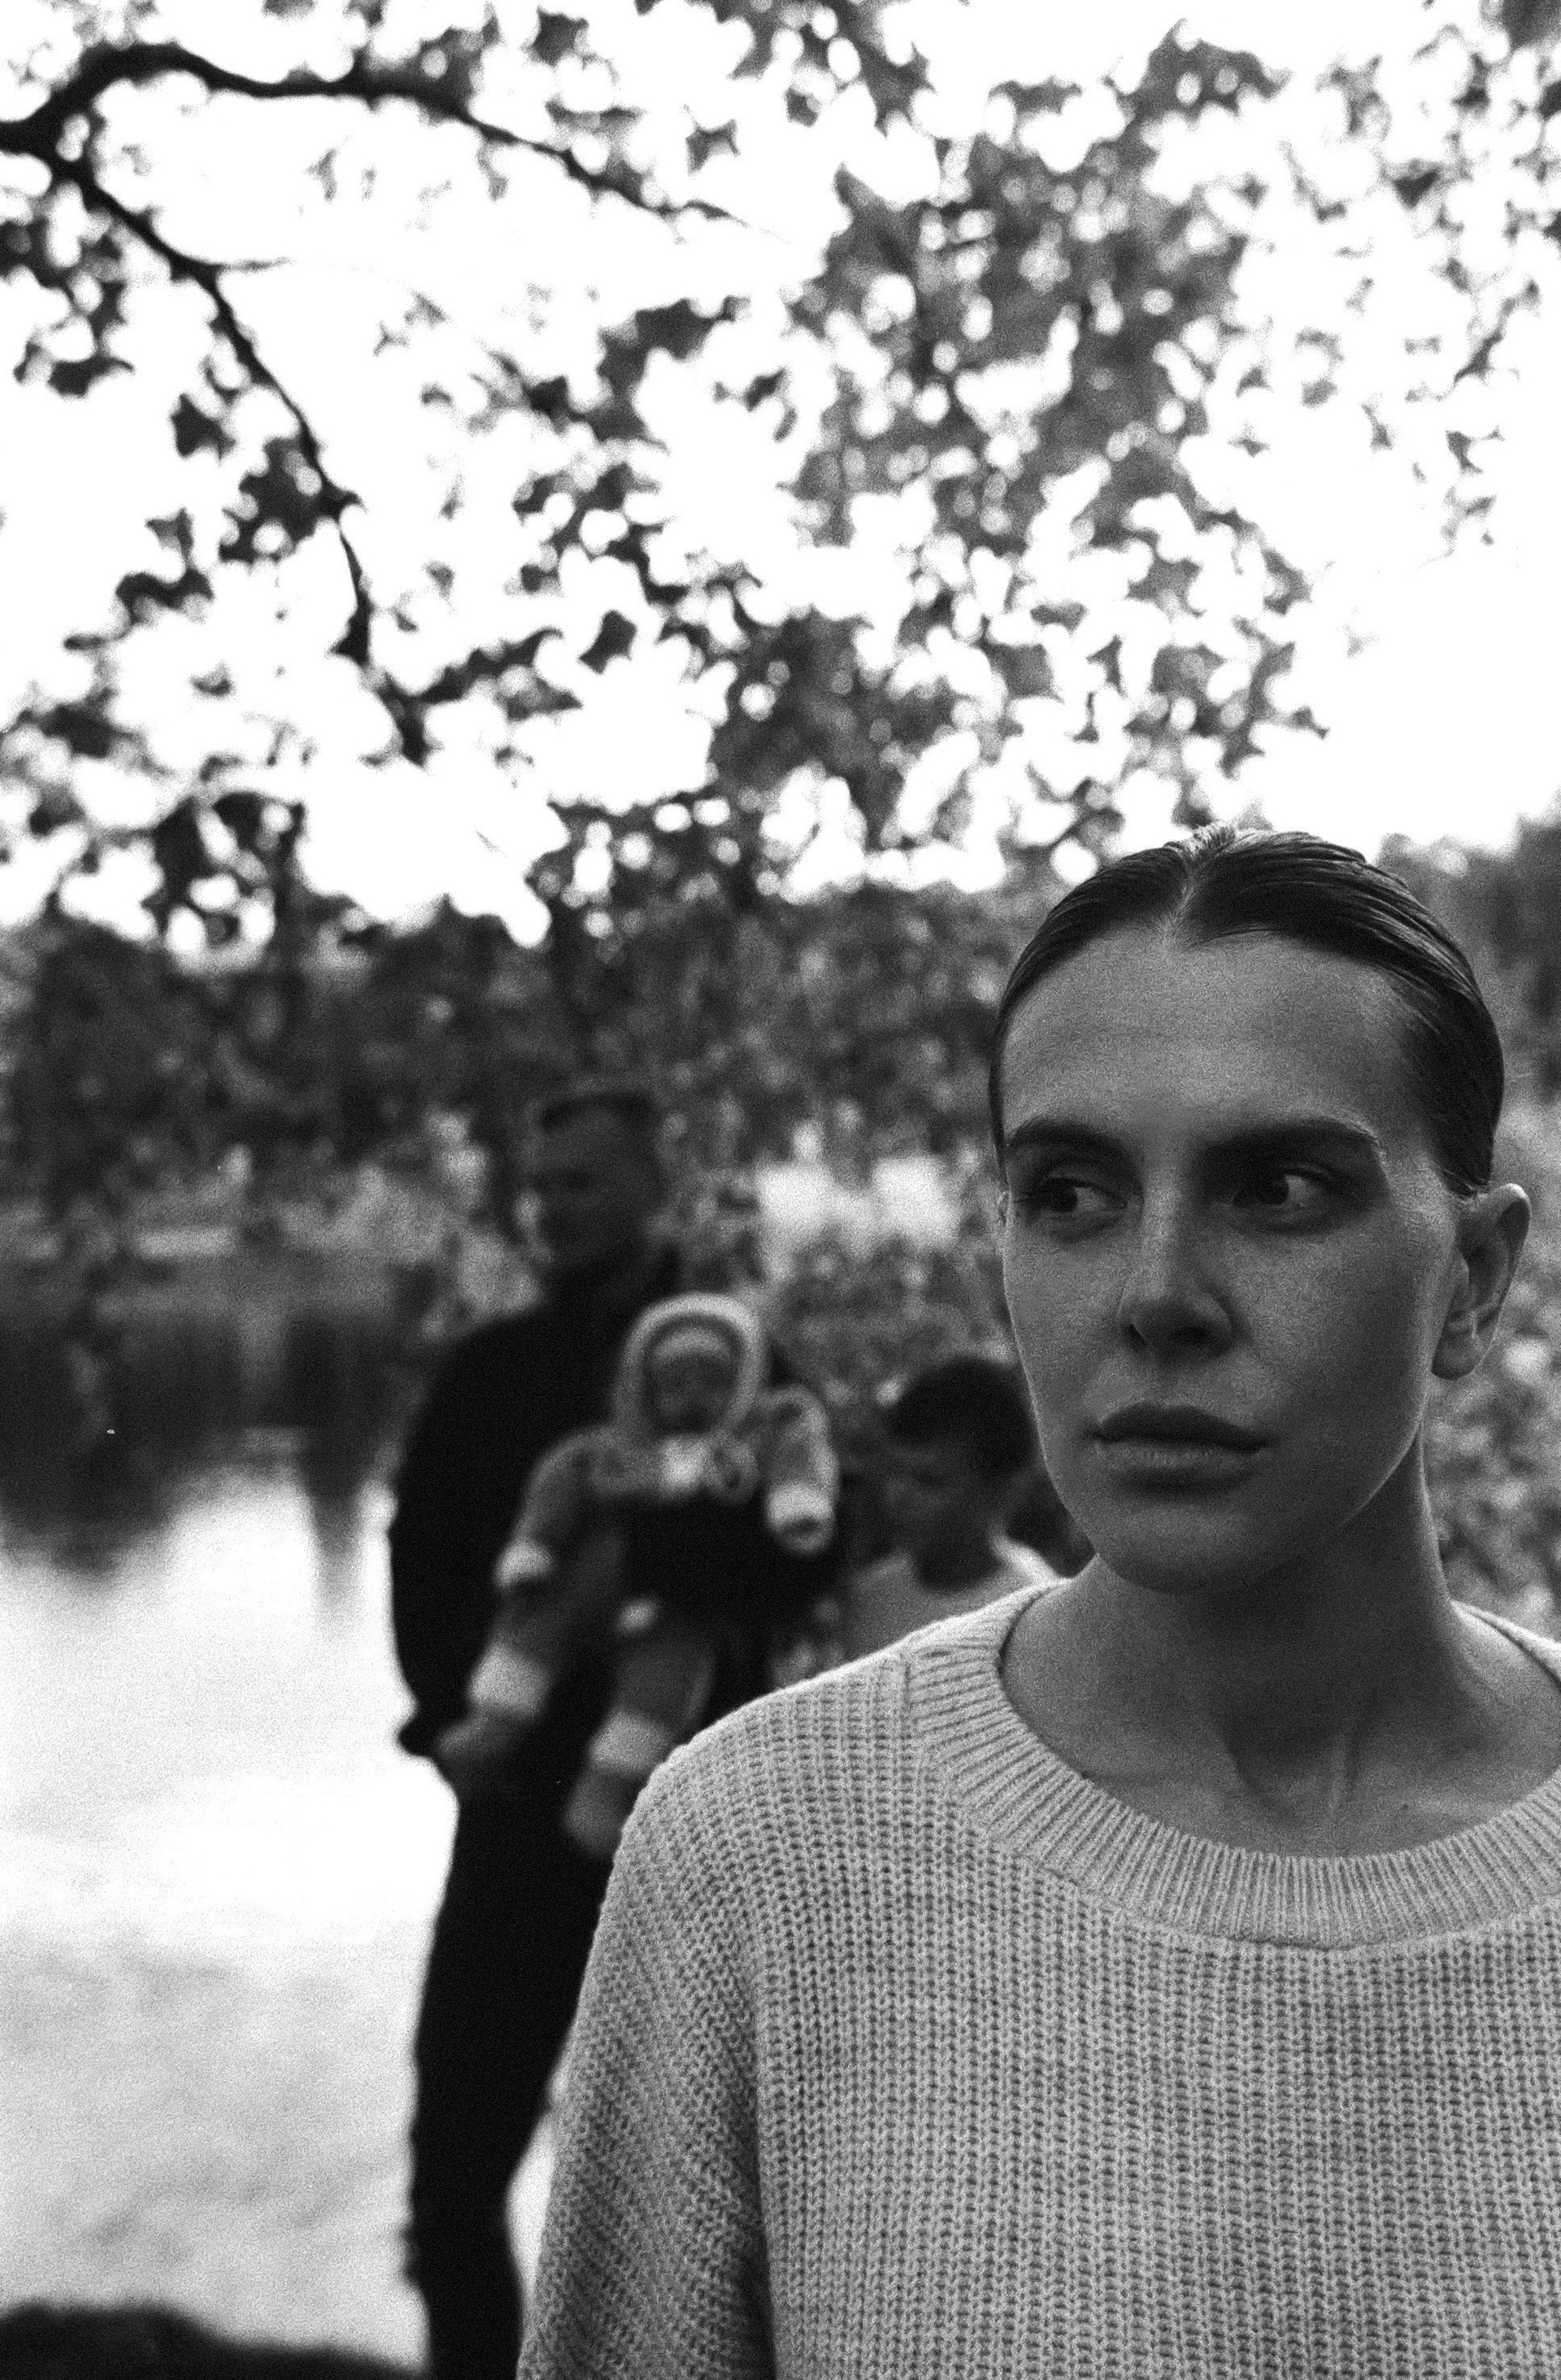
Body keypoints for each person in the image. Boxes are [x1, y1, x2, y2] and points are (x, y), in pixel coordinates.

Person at [519, 828, 1561, 2378]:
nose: (1157, 1295)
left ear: (1471, 1279)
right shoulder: (756, 1856)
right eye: (1070, 1190)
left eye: (1279, 1187)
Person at [389, 1082, 682, 2380]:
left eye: (583, 1180)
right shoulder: (487, 1368)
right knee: (452, 2183)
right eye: (541, 1182)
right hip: (510, 1820)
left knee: (682, 2213)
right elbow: (419, 1554)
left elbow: (789, 1571)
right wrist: (458, 1715)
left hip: (670, 1837)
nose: (553, 1206)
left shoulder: (726, 1357)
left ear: (655, 1188)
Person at [434, 1290, 840, 1857]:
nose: (693, 1401)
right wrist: (535, 1547)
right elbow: (561, 1482)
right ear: (645, 1389)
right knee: (537, 1620)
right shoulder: (612, 1448)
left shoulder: (755, 1440)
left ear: (745, 1382)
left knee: (671, 1673)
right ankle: (493, 1725)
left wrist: (795, 1505)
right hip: (584, 1586)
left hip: (678, 1610)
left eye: (713, 1384)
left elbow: (800, 1456)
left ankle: (606, 1788)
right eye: (674, 1386)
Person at [841, 1351, 1056, 1658]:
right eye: (895, 1472)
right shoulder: (873, 1598)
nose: (899, 1497)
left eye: (929, 1481)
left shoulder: (1033, 1614)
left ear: (1001, 1491)